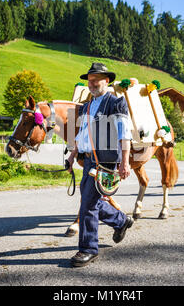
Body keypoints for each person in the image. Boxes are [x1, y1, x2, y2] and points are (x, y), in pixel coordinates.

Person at [67, 62, 134, 267]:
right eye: (90, 80)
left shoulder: (116, 103)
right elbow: (81, 134)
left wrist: (125, 162)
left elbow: (124, 135)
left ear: (107, 81)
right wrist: (72, 156)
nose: (92, 83)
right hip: (88, 160)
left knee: (88, 203)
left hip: (105, 161)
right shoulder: (86, 106)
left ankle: (88, 249)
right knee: (89, 200)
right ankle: (121, 221)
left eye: (97, 79)